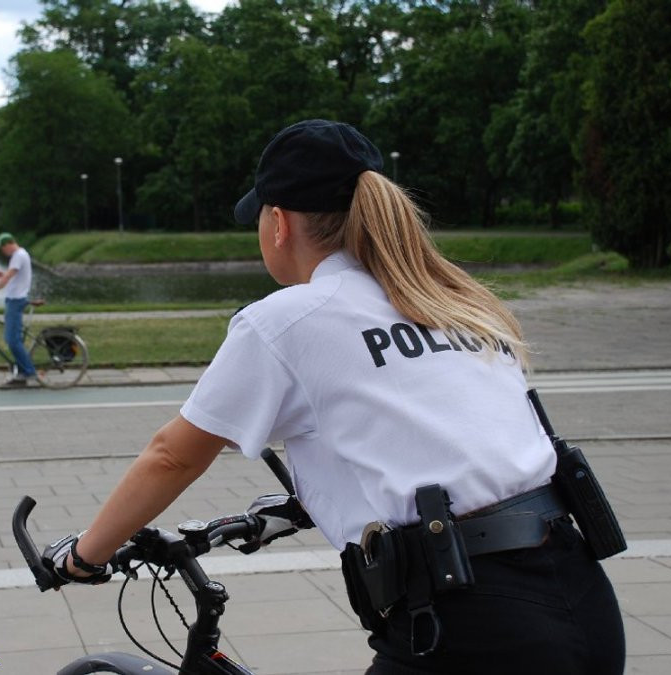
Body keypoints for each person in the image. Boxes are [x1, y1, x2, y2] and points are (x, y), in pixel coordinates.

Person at [44, 120, 625, 674]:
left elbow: (173, 455)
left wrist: (83, 556)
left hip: (474, 627)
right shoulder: (455, 303)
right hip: (581, 596)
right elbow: (436, 439)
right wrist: (304, 503)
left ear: (279, 222)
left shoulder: (286, 321)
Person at [0, 232, 37, 385]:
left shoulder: (18, 255)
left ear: (7, 244)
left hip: (16, 301)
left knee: (13, 340)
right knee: (12, 338)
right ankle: (21, 371)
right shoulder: (20, 255)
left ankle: (28, 371)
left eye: (2, 248)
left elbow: (7, 279)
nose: (2, 252)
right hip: (14, 300)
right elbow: (12, 276)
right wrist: (3, 275)